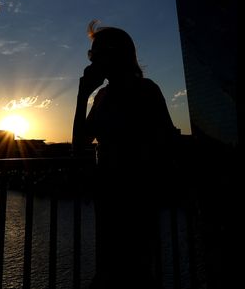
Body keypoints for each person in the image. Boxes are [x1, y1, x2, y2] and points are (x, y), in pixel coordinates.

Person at [72, 20, 178, 289]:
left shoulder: (147, 90)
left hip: (137, 198)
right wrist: (83, 95)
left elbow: (167, 142)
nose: (92, 60)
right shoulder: (102, 96)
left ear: (117, 54)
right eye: (91, 55)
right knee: (108, 270)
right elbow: (79, 144)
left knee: (135, 272)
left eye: (96, 54)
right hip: (108, 197)